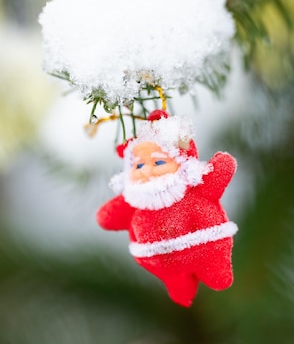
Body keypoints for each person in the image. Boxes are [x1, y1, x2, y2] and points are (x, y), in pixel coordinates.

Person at [97, 110, 238, 307]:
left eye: (159, 162)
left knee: (219, 278)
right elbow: (106, 218)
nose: (146, 171)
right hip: (163, 265)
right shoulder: (134, 200)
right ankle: (179, 287)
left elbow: (224, 166)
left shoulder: (196, 185)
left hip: (207, 249)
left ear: (181, 161)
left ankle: (216, 273)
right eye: (138, 166)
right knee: (179, 287)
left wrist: (220, 165)